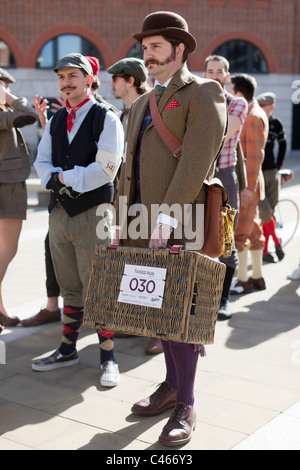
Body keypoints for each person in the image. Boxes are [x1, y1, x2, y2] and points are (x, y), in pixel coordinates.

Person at [114, 11, 227, 446]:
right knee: (158, 312)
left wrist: (167, 215)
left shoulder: (204, 91)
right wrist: (121, 223)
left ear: (180, 51)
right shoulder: (141, 102)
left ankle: (187, 403)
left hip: (182, 222)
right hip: (141, 223)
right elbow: (128, 172)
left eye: (157, 47)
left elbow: (198, 157)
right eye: (145, 49)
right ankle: (171, 386)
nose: (149, 56)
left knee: (182, 316)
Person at [31, 53, 124, 388]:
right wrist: (52, 180)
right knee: (69, 284)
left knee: (99, 286)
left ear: (88, 79)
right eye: (61, 77)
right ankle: (68, 349)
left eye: (73, 76)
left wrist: (63, 178)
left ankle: (108, 357)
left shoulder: (106, 117)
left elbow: (108, 167)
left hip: (95, 213)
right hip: (59, 216)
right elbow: (41, 160)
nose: (66, 82)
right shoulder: (56, 120)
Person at [108, 57, 162, 354]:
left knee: (156, 262)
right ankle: (137, 320)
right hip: (128, 194)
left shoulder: (152, 107)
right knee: (134, 259)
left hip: (152, 195)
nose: (112, 85)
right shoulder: (123, 112)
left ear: (129, 79)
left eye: (115, 79)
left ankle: (160, 329)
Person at [204, 55, 248, 320]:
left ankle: (223, 299)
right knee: (198, 236)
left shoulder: (237, 103)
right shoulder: (197, 101)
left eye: (219, 71)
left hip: (224, 175)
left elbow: (226, 132)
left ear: (227, 76)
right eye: (210, 71)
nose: (215, 75)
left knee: (226, 237)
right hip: (200, 175)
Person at [0, 68, 38, 329]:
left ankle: (0, 310)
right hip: (8, 183)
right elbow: (29, 115)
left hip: (8, 181)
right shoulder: (4, 113)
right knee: (8, 249)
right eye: (4, 86)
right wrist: (11, 98)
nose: (6, 91)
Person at [229, 74, 269, 295]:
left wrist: (247, 188)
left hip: (248, 184)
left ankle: (243, 280)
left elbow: (254, 156)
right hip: (251, 184)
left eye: (231, 89)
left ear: (238, 93)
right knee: (253, 233)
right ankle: (257, 277)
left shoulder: (252, 116)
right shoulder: (256, 112)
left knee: (240, 235)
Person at [256, 92, 286, 263]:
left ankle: (266, 251)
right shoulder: (255, 120)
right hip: (257, 173)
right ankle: (276, 243)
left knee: (270, 214)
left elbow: (283, 144)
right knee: (266, 212)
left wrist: (279, 167)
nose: (259, 107)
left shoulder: (276, 124)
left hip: (272, 173)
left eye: (263, 105)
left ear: (271, 106)